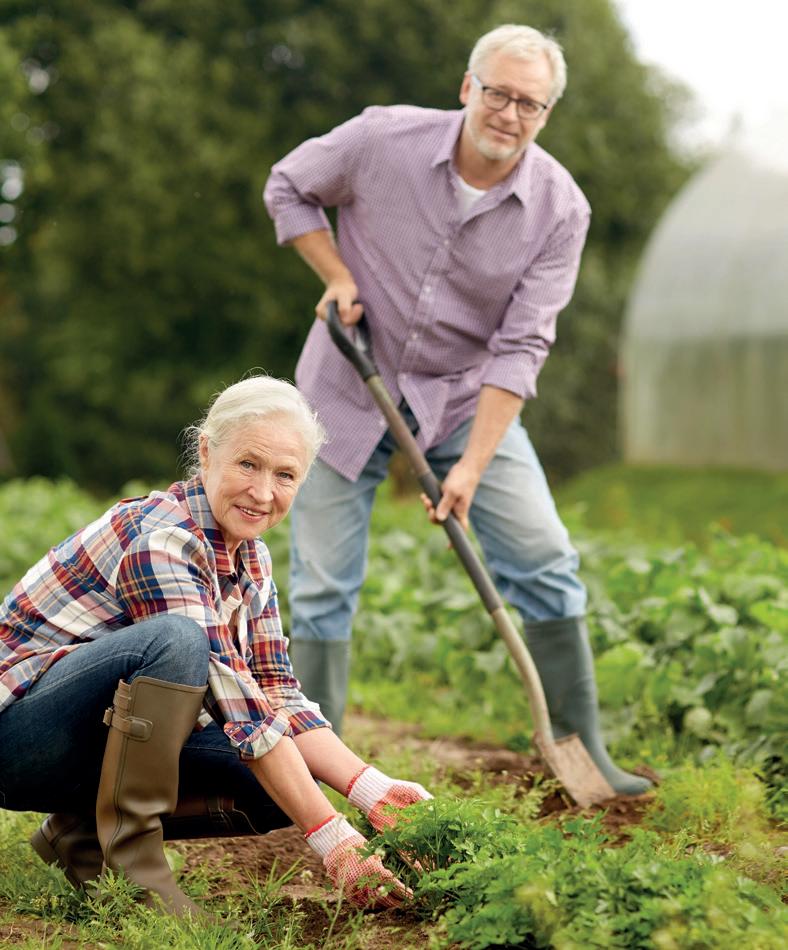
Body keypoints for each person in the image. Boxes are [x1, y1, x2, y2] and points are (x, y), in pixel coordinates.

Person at [264, 23, 650, 796]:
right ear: (468, 86)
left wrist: (472, 465)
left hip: (462, 402)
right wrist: (337, 274)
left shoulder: (559, 209)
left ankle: (583, 748)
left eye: (531, 104)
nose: (511, 113)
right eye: (499, 93)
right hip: (346, 388)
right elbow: (289, 185)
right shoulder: (382, 140)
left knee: (545, 560)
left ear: (546, 114)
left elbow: (522, 345)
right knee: (323, 583)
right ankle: (310, 769)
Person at [0, 375, 430, 916]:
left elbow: (277, 692)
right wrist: (334, 838)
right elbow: (237, 699)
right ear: (206, 453)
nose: (263, 493)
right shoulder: (162, 539)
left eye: (285, 475)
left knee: (278, 783)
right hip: (18, 737)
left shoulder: (252, 557)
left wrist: (372, 789)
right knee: (177, 642)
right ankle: (134, 869)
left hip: (85, 738)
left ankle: (81, 834)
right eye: (248, 464)